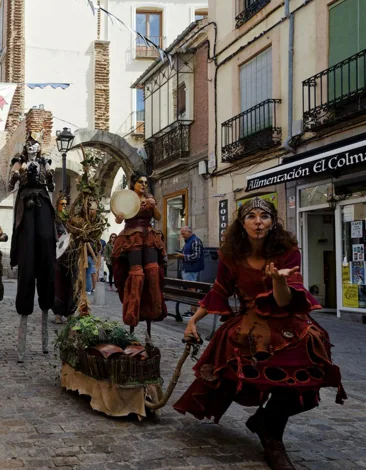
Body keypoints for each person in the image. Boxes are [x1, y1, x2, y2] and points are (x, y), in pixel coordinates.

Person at [175, 197, 346, 470]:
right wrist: (193, 321)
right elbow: (219, 289)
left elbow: (284, 300)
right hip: (249, 322)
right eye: (251, 216)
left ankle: (265, 422)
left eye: (264, 216)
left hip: (287, 318)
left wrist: (279, 280)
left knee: (308, 372)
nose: (258, 222)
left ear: (272, 222)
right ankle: (273, 442)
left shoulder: (288, 251)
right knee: (240, 357)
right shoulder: (231, 255)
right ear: (242, 224)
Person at [9, 132, 55, 362]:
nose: (33, 148)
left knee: (47, 244)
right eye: (30, 145)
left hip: (43, 205)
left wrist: (47, 172)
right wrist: (19, 173)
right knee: (27, 260)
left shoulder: (45, 161)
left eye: (36, 145)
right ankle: (22, 346)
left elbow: (52, 184)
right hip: (26, 205)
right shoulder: (19, 160)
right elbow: (10, 183)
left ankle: (46, 341)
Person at [111, 172, 167, 337]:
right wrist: (119, 217)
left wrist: (153, 205)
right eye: (140, 182)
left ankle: (153, 312)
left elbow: (158, 216)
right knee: (136, 274)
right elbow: (119, 220)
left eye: (145, 182)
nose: (143, 185)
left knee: (152, 272)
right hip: (131, 237)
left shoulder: (150, 198)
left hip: (149, 236)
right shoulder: (126, 198)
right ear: (133, 184)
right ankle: (132, 315)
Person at [51, 195, 74, 324]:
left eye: (66, 204)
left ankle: (69, 311)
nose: (64, 206)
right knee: (58, 284)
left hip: (70, 255)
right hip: (58, 255)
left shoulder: (70, 220)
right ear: (57, 205)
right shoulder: (54, 219)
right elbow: (54, 235)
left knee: (70, 284)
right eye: (62, 204)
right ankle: (58, 313)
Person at [176, 226, 204, 315]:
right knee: (190, 289)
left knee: (192, 289)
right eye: (181, 234)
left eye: (183, 233)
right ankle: (192, 310)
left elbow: (196, 256)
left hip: (192, 268)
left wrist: (183, 256)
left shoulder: (195, 240)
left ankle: (193, 311)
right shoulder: (188, 241)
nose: (182, 235)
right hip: (187, 268)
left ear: (189, 232)